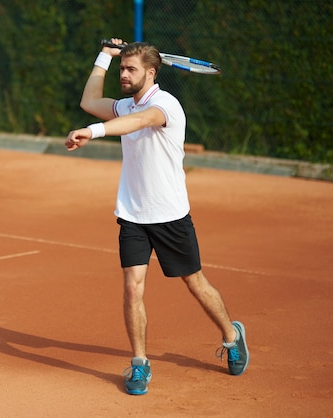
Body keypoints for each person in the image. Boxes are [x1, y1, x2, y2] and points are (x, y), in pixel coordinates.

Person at [65, 39, 249, 395]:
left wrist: (93, 131)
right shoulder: (125, 104)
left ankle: (231, 334)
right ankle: (139, 364)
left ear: (151, 73)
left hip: (170, 216)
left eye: (130, 69)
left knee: (194, 283)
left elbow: (137, 122)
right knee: (132, 288)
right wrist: (104, 55)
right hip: (133, 214)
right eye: (122, 68)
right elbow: (88, 102)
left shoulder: (165, 105)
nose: (124, 74)